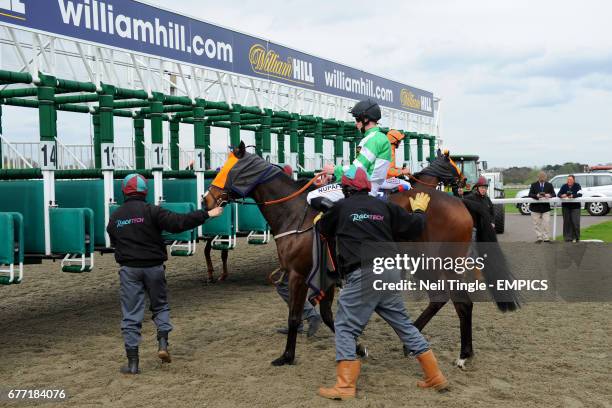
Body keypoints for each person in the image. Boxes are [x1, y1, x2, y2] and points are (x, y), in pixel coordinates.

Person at [317, 167, 448, 400]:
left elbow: (322, 229)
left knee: (345, 326)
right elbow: (414, 227)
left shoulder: (341, 207)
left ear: (346, 189)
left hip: (364, 273)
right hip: (390, 270)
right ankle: (435, 376)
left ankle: (345, 387)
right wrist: (418, 211)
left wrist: (321, 217)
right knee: (404, 324)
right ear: (367, 187)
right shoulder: (385, 206)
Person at [107, 174, 224, 375]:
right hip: (154, 267)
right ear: (145, 191)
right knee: (160, 306)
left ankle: (133, 363)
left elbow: (113, 238)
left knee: (131, 315)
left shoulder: (116, 216)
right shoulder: (152, 211)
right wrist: (207, 213)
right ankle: (162, 344)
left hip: (129, 270)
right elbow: (180, 222)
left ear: (124, 191)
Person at [307, 99, 392, 207]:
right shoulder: (376, 138)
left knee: (311, 196)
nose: (356, 123)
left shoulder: (373, 139)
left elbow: (358, 170)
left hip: (361, 189)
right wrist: (334, 176)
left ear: (366, 119)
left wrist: (334, 170)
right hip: (369, 187)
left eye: (357, 119)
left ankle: (336, 220)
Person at [528, 172, 555, 243]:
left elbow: (554, 194)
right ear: (538, 177)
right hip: (535, 208)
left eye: (543, 177)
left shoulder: (549, 185)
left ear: (545, 177)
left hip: (546, 207)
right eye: (541, 177)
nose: (542, 179)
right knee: (536, 224)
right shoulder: (534, 185)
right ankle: (539, 238)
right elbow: (530, 194)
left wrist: (549, 195)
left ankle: (546, 238)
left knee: (546, 223)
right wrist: (536, 196)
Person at [558, 175, 583, 242]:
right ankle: (567, 238)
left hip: (576, 207)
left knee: (575, 222)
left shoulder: (577, 185)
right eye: (568, 179)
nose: (569, 181)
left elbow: (580, 194)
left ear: (573, 180)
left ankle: (576, 237)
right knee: (567, 222)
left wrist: (573, 196)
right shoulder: (564, 186)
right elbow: (559, 194)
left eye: (571, 180)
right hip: (566, 207)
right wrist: (562, 195)